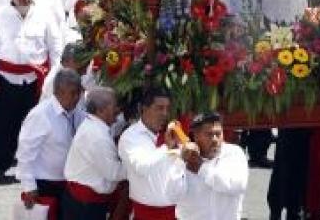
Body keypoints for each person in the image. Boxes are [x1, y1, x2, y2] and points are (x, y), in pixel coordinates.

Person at [0, 0, 65, 183]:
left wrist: (53, 77)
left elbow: (55, 48)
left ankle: (32, 170)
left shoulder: (44, 14)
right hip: (6, 78)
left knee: (34, 127)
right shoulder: (0, 14)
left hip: (35, 81)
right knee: (3, 126)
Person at [16, 68, 85, 217]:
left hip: (68, 185)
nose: (77, 98)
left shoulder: (77, 113)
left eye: (79, 93)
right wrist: (28, 186)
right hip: (44, 185)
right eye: (73, 93)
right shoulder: (40, 115)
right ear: (59, 92)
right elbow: (25, 153)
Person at [118, 87, 186, 219]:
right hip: (147, 214)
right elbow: (142, 167)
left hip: (176, 213)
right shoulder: (131, 137)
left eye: (167, 108)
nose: (165, 114)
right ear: (143, 109)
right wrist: (167, 147)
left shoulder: (169, 134)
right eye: (159, 108)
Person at [62, 86, 126, 219]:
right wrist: (136, 166)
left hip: (82, 200)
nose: (118, 110)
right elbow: (113, 173)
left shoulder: (93, 125)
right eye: (114, 106)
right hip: (86, 204)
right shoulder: (97, 136)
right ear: (101, 110)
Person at [175, 112, 249, 220]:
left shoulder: (234, 153)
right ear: (196, 136)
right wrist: (179, 163)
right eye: (209, 134)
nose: (215, 139)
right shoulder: (183, 157)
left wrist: (201, 167)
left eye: (218, 134)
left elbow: (237, 185)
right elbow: (170, 194)